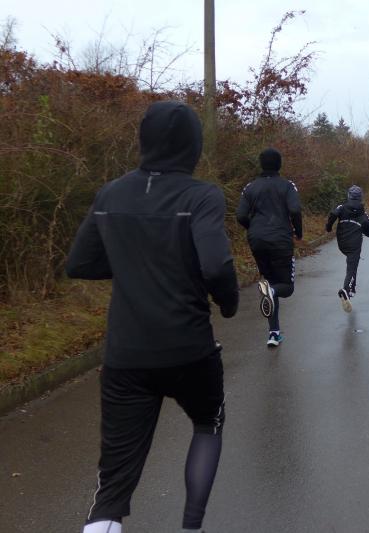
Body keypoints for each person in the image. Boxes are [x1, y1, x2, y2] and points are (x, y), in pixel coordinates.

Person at [66, 101, 239, 533]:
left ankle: (101, 524)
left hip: (126, 355)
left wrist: (133, 265)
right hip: (189, 349)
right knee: (208, 422)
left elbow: (80, 263)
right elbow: (216, 265)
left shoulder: (111, 194)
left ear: (143, 141)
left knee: (114, 480)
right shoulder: (201, 196)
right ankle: (192, 525)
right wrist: (229, 303)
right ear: (193, 146)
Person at [236, 148, 302, 347]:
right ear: (279, 164)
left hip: (257, 240)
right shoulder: (287, 186)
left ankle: (274, 334)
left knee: (270, 284)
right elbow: (295, 209)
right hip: (280, 239)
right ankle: (272, 293)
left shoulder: (250, 187)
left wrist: (254, 228)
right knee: (286, 288)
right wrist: (298, 232)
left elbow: (240, 215)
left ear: (261, 164)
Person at [325, 185, 369, 312]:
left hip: (342, 243)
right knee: (352, 267)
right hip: (354, 244)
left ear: (348, 196)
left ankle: (352, 289)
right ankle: (346, 290)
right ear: (360, 198)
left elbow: (333, 214)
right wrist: (363, 227)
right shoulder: (363, 214)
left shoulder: (341, 207)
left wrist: (328, 227)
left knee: (352, 263)